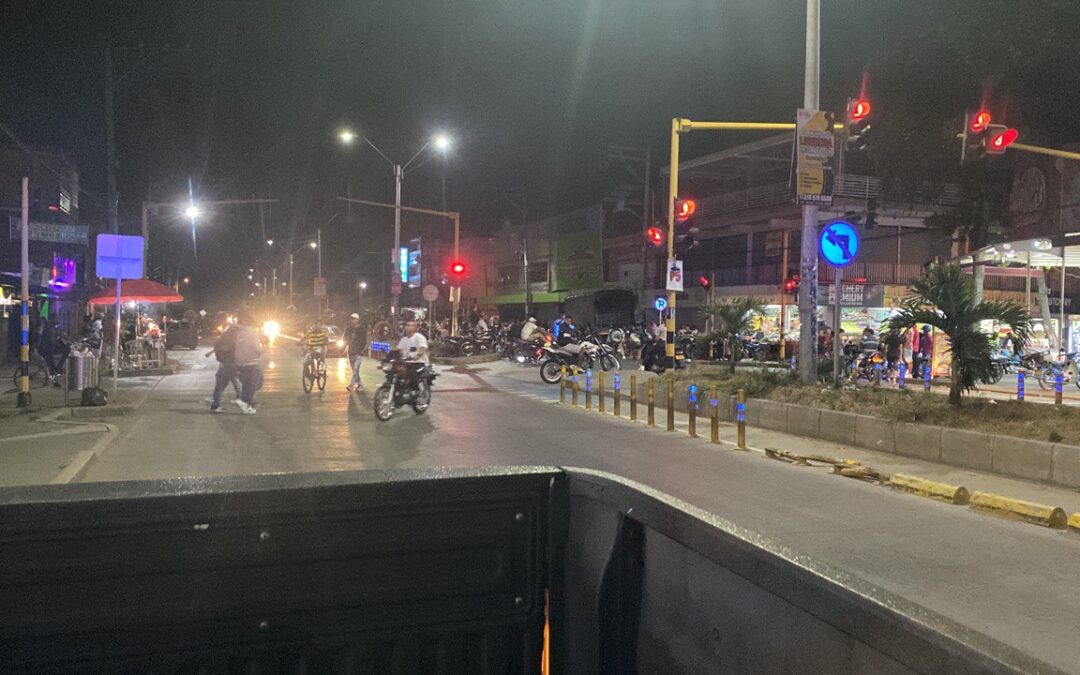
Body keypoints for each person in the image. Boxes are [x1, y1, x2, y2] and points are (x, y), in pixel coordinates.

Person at [205, 315, 241, 413]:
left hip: (228, 360)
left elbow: (227, 345)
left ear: (224, 320)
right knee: (232, 379)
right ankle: (242, 399)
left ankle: (216, 404)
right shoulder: (226, 329)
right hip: (226, 360)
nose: (218, 321)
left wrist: (216, 351)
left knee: (221, 383)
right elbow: (222, 345)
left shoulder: (231, 330)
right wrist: (212, 352)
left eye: (219, 319)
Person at [233, 313, 264, 414]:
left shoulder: (236, 332)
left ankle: (247, 402)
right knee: (257, 382)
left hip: (239, 362)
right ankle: (245, 401)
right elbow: (256, 347)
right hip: (252, 362)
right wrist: (261, 351)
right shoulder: (252, 332)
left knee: (246, 383)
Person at [345, 312, 368, 392]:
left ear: (358, 320)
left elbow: (365, 341)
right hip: (350, 352)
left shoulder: (362, 329)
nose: (352, 320)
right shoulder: (348, 329)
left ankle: (351, 385)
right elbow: (345, 339)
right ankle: (360, 385)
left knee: (355, 369)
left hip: (359, 353)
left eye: (354, 319)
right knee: (355, 371)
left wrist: (363, 350)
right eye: (351, 319)